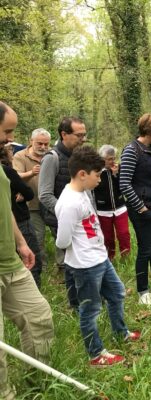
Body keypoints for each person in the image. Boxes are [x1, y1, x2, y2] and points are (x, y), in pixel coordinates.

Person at [55, 146, 141, 367]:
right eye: (97, 175)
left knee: (117, 293)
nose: (100, 180)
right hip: (85, 265)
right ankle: (96, 354)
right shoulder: (69, 203)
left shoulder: (82, 192)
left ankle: (121, 332)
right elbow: (62, 241)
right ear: (83, 174)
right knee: (90, 309)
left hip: (100, 258)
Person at [0, 101, 54, 399]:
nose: (10, 138)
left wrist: (20, 242)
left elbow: (3, 206)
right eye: (7, 131)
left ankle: (37, 388)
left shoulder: (0, 165)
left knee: (39, 317)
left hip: (10, 261)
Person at [119, 113, 151, 306]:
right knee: (145, 249)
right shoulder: (132, 150)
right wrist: (140, 207)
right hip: (142, 210)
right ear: (150, 131)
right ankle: (143, 291)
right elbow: (124, 183)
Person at [38, 117, 87, 310]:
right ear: (64, 134)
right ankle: (74, 304)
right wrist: (67, 212)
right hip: (61, 219)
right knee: (70, 262)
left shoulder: (78, 155)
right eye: (79, 135)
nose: (83, 139)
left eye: (84, 135)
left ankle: (85, 298)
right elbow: (44, 194)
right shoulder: (52, 158)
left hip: (81, 219)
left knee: (79, 259)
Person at [1, 144, 44, 288]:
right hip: (19, 219)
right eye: (10, 151)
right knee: (31, 257)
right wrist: (20, 195)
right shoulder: (7, 171)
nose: (12, 154)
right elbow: (29, 193)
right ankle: (34, 289)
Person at [12, 128, 51, 275]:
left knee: (59, 234)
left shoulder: (51, 155)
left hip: (51, 203)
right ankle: (41, 267)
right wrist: (31, 172)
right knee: (38, 237)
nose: (43, 147)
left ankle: (62, 266)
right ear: (31, 141)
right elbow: (14, 176)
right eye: (39, 143)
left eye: (46, 144)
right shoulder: (20, 156)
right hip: (32, 204)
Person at [94, 144, 130, 260]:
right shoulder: (96, 171)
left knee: (123, 234)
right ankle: (110, 258)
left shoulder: (118, 168)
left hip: (120, 207)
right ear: (102, 159)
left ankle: (126, 257)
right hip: (103, 210)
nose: (112, 161)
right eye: (109, 159)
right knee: (108, 237)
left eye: (114, 158)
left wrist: (116, 175)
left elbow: (123, 187)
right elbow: (93, 189)